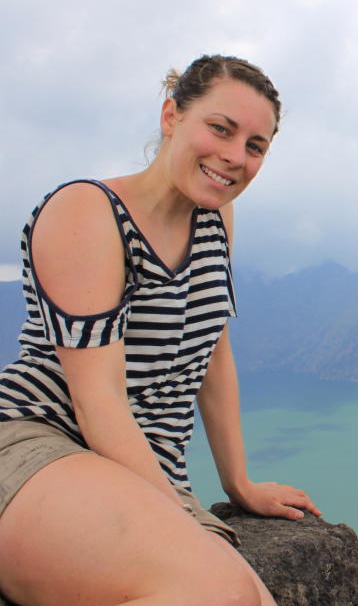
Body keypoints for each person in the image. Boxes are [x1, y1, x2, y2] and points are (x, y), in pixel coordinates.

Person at [0, 55, 320, 605]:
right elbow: (99, 402)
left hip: (143, 472)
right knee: (218, 590)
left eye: (255, 145)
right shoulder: (87, 210)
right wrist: (177, 513)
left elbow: (212, 356)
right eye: (221, 128)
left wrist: (237, 483)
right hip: (39, 447)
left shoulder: (216, 219)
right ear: (172, 116)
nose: (234, 156)